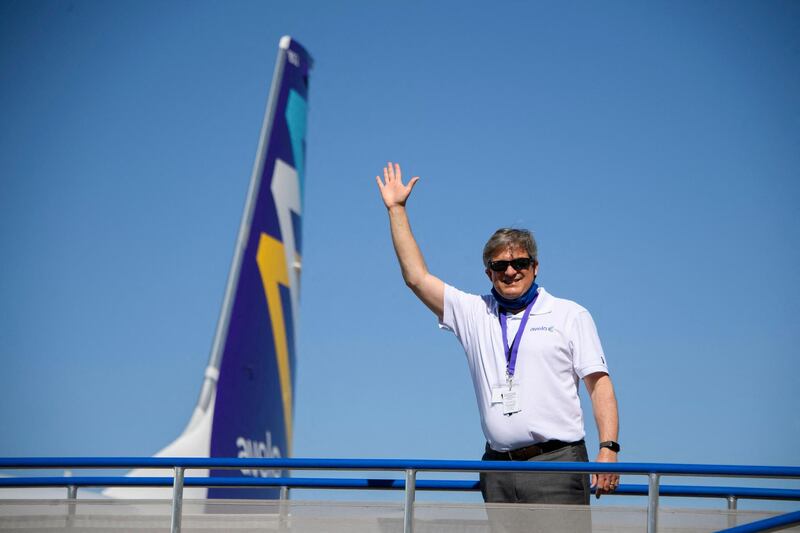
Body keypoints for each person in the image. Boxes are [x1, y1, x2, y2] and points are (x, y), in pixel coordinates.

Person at [375, 161, 620, 506]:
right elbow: (416, 277)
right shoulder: (475, 312)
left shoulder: (570, 314)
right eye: (499, 265)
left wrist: (608, 448)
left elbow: (600, 386)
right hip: (497, 467)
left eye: (520, 263)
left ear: (535, 267)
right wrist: (397, 209)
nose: (510, 271)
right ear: (488, 272)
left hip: (556, 464)